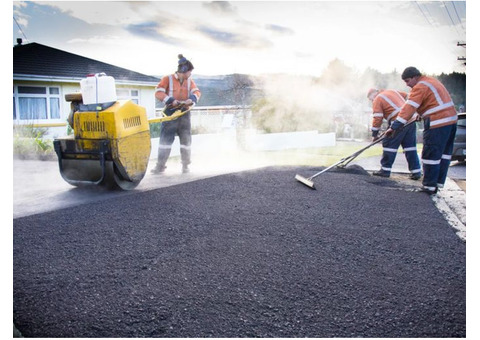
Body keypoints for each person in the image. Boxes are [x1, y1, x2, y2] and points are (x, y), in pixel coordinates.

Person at [385, 66, 458, 194]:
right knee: (444, 154)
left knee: (430, 154)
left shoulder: (419, 86)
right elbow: (433, 102)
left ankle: (429, 186)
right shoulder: (431, 81)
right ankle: (437, 183)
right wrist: (422, 114)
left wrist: (394, 127)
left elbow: (409, 108)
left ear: (415, 77)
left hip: (437, 123)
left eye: (408, 81)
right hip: (450, 122)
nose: (407, 85)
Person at [151, 54, 201, 174]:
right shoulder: (167, 79)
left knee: (186, 140)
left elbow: (197, 92)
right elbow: (158, 93)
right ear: (183, 71)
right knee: (165, 141)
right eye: (189, 72)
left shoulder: (190, 81)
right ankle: (160, 166)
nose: (190, 74)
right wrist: (171, 100)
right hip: (170, 113)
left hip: (184, 112)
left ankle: (185, 166)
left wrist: (192, 99)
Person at [367, 88, 421, 179]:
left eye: (370, 98)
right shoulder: (393, 91)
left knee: (389, 144)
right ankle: (416, 172)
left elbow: (377, 118)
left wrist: (374, 135)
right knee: (410, 147)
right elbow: (409, 96)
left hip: (398, 121)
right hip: (411, 120)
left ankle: (385, 170)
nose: (371, 100)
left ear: (373, 94)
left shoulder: (377, 99)